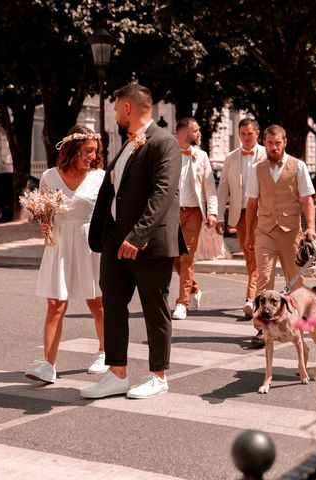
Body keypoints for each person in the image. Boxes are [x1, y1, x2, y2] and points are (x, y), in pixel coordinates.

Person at [82, 84, 185, 399]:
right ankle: (117, 373)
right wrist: (107, 234)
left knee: (155, 309)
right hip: (115, 239)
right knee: (113, 304)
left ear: (127, 108)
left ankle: (158, 375)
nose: (114, 114)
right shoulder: (126, 145)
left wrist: (137, 235)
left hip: (149, 242)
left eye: (115, 109)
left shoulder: (164, 142)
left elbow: (163, 192)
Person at [25, 125, 106, 384]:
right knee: (55, 304)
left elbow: (109, 214)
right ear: (73, 150)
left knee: (96, 303)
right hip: (59, 243)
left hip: (89, 242)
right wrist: (43, 223)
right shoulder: (49, 176)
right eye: (88, 151)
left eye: (96, 151)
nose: (93, 156)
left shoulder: (101, 177)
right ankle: (48, 365)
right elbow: (44, 210)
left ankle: (104, 352)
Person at [245, 124, 316, 346]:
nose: (273, 147)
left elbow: (307, 199)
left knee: (295, 281)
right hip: (264, 230)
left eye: (277, 143)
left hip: (291, 231)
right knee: (264, 279)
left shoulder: (298, 166)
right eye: (269, 143)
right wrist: (248, 234)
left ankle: (299, 323)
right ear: (264, 143)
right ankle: (261, 328)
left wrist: (311, 227)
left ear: (284, 142)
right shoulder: (256, 168)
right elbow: (252, 203)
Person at [216, 117, 266, 318]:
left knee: (259, 257)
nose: (246, 138)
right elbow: (223, 190)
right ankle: (257, 299)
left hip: (263, 213)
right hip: (242, 214)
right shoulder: (231, 158)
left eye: (250, 134)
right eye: (242, 134)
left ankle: (251, 299)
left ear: (257, 134)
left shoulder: (267, 154)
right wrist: (219, 215)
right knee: (250, 257)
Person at [172, 117, 218, 320]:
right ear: (184, 134)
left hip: (193, 213)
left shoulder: (202, 156)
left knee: (186, 257)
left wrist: (212, 211)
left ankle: (182, 303)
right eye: (196, 130)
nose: (199, 133)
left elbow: (209, 186)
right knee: (173, 258)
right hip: (171, 212)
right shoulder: (168, 153)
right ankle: (194, 288)